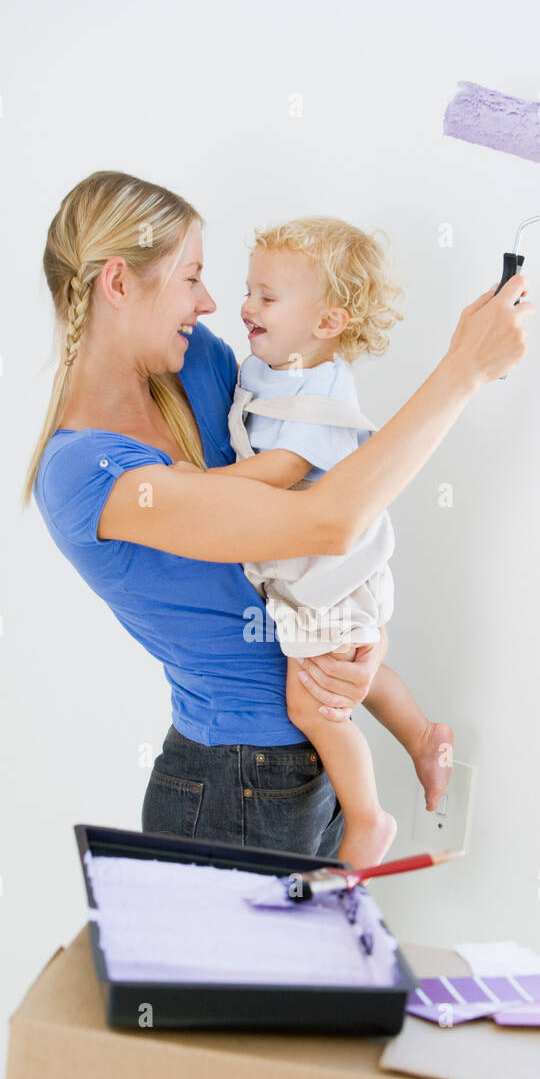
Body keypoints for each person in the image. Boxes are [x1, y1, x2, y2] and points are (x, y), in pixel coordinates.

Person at [23, 171, 532, 862]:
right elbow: (327, 521)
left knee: (306, 969)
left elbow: (307, 498)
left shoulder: (197, 362)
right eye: (191, 278)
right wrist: (463, 370)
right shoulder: (85, 473)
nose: (210, 304)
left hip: (309, 752)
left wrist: (362, 640)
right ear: (118, 283)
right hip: (229, 782)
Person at [173, 214, 454, 868]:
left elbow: (283, 468)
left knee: (314, 698)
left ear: (326, 323)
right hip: (309, 574)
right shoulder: (268, 366)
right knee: (346, 669)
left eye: (267, 298)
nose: (246, 306)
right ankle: (419, 734)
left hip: (331, 570)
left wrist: (197, 485)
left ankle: (367, 820)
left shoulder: (322, 385)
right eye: (250, 289)